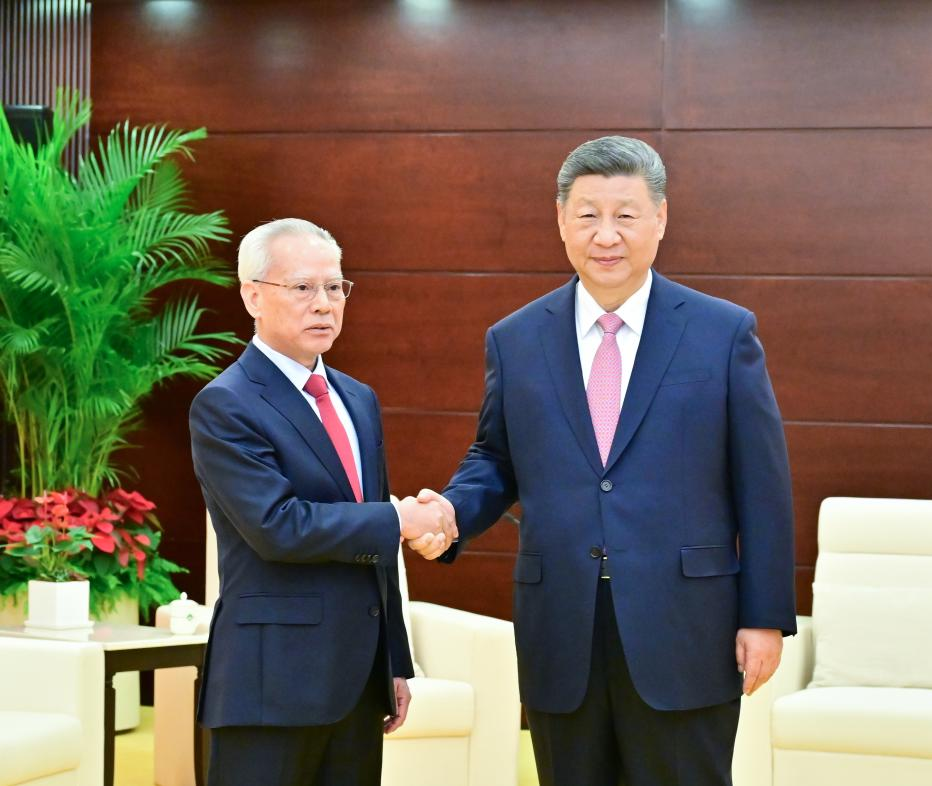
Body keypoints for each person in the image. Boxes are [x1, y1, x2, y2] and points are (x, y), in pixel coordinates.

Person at [418, 136, 796, 785]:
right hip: (562, 630)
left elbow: (762, 483)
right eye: (588, 214)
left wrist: (764, 616)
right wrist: (450, 511)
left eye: (625, 214)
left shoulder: (722, 332)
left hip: (686, 627)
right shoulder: (516, 340)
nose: (606, 234)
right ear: (562, 220)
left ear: (660, 219)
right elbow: (495, 458)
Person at [189, 218, 455, 786]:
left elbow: (377, 548)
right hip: (270, 686)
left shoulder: (358, 399)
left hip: (358, 684)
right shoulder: (225, 404)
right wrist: (400, 518)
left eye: (335, 288)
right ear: (253, 296)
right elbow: (277, 527)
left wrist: (394, 666)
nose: (324, 304)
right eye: (303, 287)